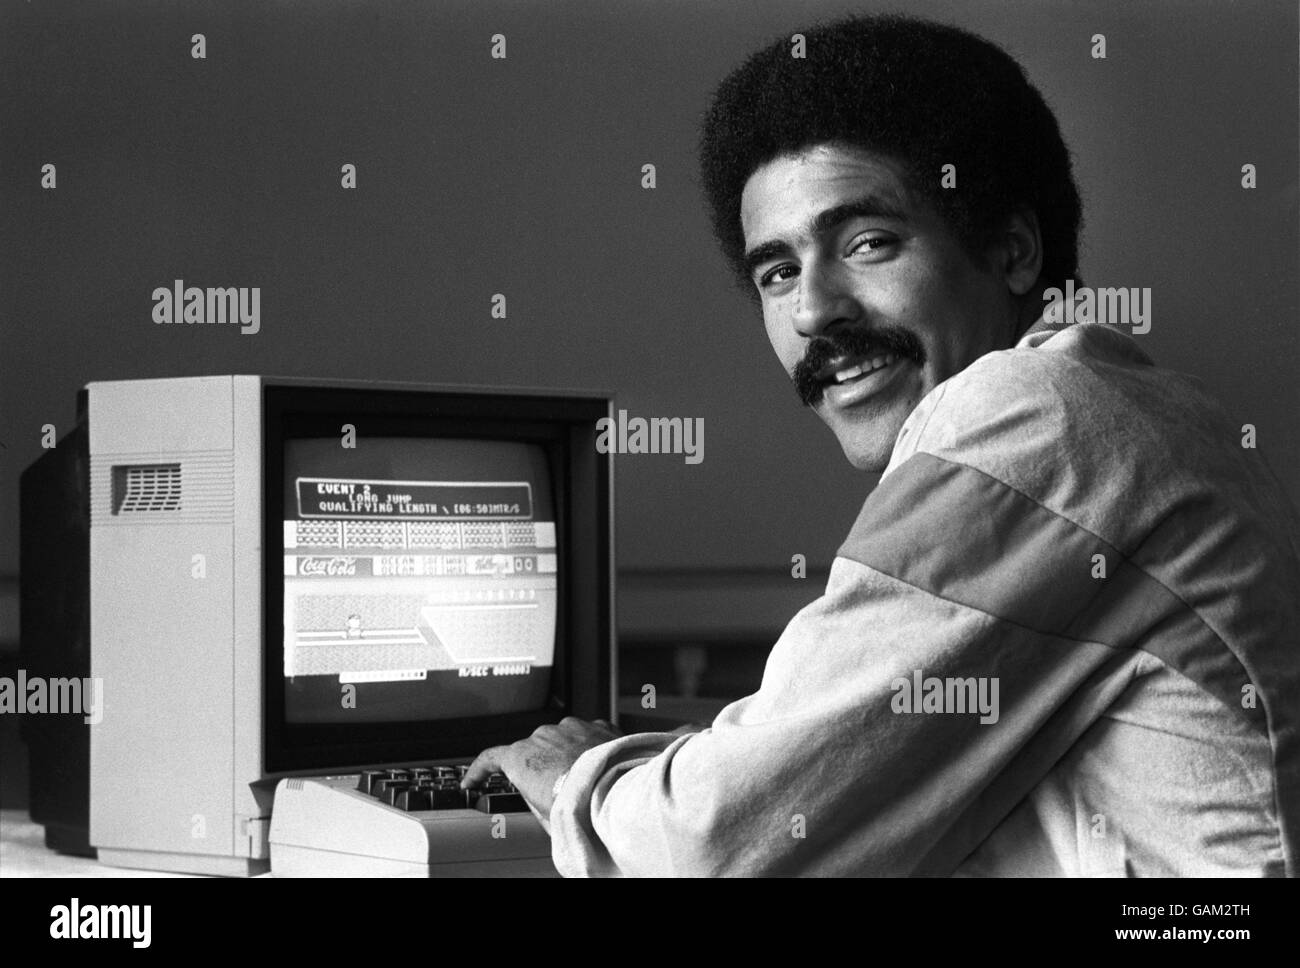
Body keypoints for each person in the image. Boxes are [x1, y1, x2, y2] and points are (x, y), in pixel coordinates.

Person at [464, 14, 1300, 876]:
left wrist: (581, 783)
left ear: (1014, 251)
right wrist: (702, 761)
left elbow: (711, 850)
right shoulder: (1136, 407)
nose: (813, 310)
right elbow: (837, 774)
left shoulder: (1033, 411)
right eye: (778, 271)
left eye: (868, 243)